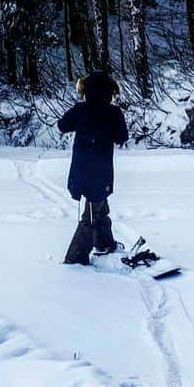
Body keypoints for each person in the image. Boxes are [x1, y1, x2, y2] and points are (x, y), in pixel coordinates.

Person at [59, 71, 129, 266]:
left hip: (81, 168)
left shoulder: (80, 110)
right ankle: (75, 258)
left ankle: (104, 243)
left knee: (98, 205)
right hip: (101, 169)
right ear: (110, 91)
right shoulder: (114, 112)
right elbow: (122, 137)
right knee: (91, 213)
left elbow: (62, 126)